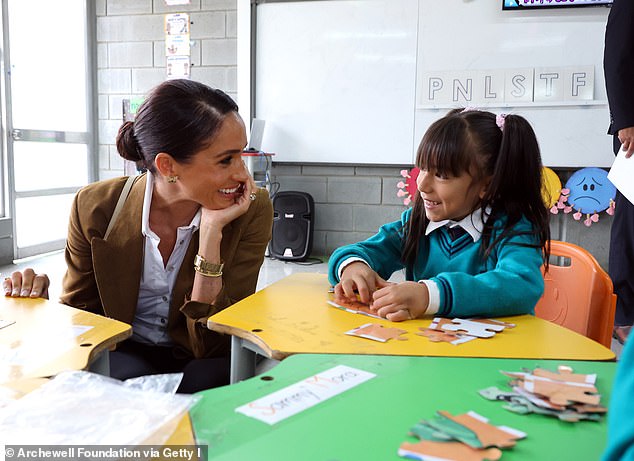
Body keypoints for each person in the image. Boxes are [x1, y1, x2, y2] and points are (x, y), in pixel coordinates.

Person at [3, 79, 273, 393]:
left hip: (206, 354)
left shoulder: (252, 206)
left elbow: (216, 338)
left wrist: (211, 234)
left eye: (241, 155)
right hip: (124, 349)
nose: (242, 174)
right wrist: (40, 302)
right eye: (226, 160)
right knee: (130, 384)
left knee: (205, 383)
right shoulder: (95, 206)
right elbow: (83, 320)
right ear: (168, 165)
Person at [328, 108, 550, 321]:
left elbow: (522, 284)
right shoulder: (416, 224)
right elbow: (363, 251)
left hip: (497, 355)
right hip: (425, 352)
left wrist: (430, 295)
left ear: (488, 185)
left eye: (442, 175)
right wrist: (353, 266)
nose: (422, 184)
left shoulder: (514, 229)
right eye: (423, 168)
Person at [604, 0, 634, 345]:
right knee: (631, 221)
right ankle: (624, 314)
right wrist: (625, 121)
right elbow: (617, 55)